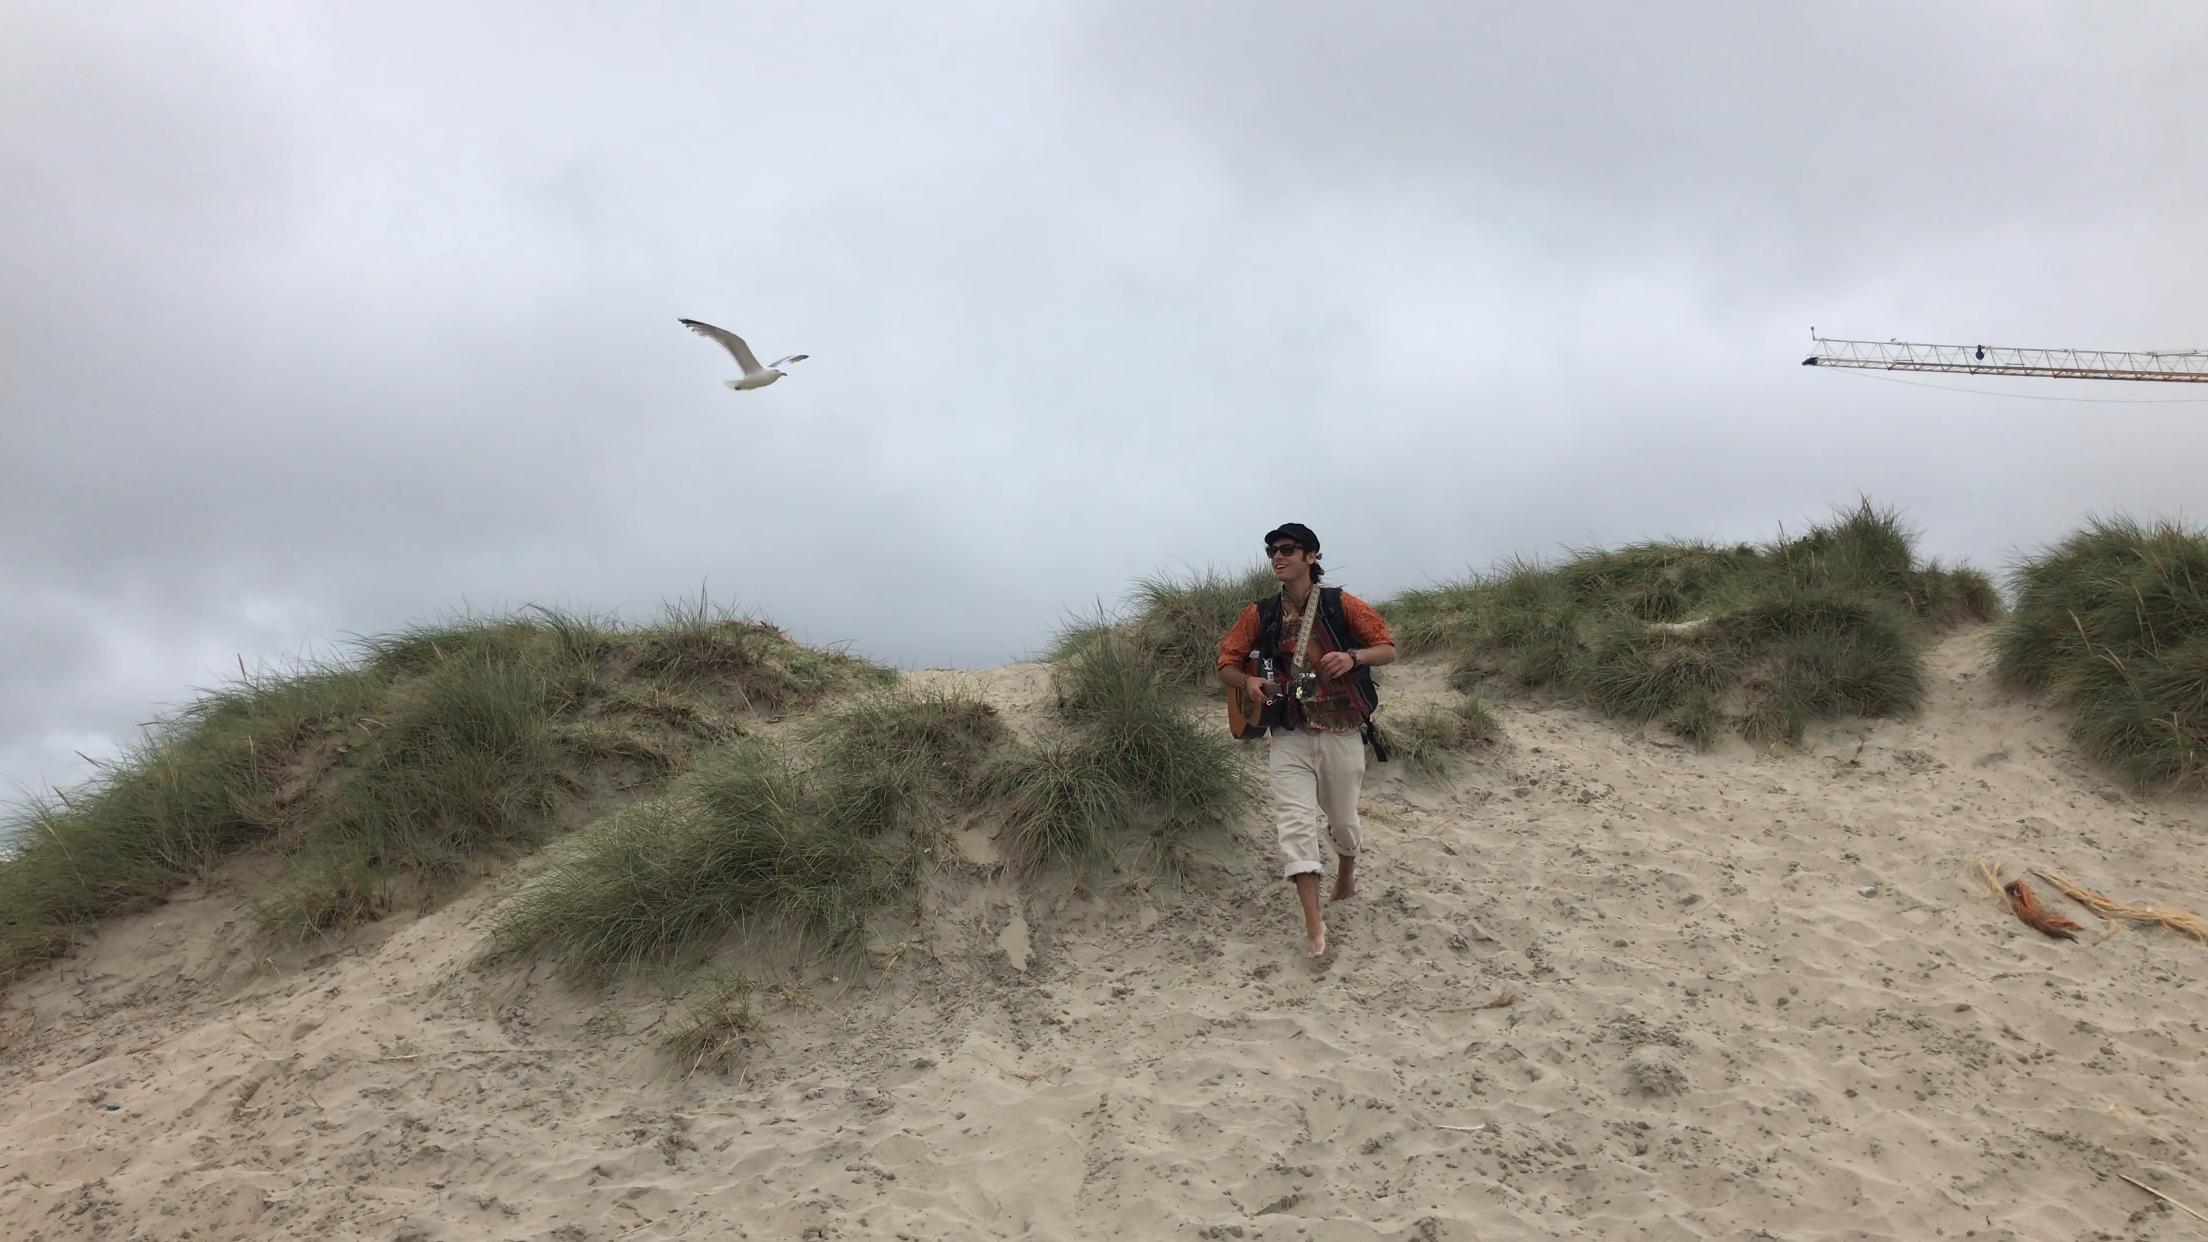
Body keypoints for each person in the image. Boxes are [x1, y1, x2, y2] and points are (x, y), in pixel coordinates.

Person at [1217, 523, 1397, 959]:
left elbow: (1386, 648)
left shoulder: (1340, 604)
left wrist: (1352, 657)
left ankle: (1347, 871)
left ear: (1311, 556)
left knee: (1342, 818)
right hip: (1289, 732)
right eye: (1271, 551)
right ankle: (1314, 925)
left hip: (1340, 729)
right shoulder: (1260, 613)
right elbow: (1226, 662)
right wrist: (1250, 681)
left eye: (1287, 549)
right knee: (1295, 825)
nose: (1277, 557)